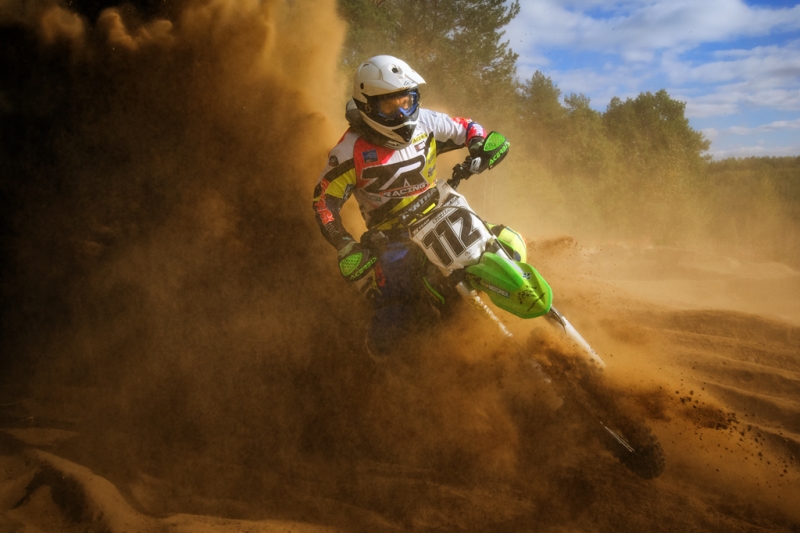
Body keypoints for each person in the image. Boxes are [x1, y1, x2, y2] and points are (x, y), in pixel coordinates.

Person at [312, 55, 510, 356]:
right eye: (390, 106)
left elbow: (468, 127)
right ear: (368, 107)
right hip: (393, 237)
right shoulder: (349, 151)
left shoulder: (426, 122)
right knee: (395, 322)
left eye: (407, 101)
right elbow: (323, 202)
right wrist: (345, 246)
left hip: (442, 211)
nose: (403, 112)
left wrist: (479, 146)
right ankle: (390, 367)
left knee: (509, 243)